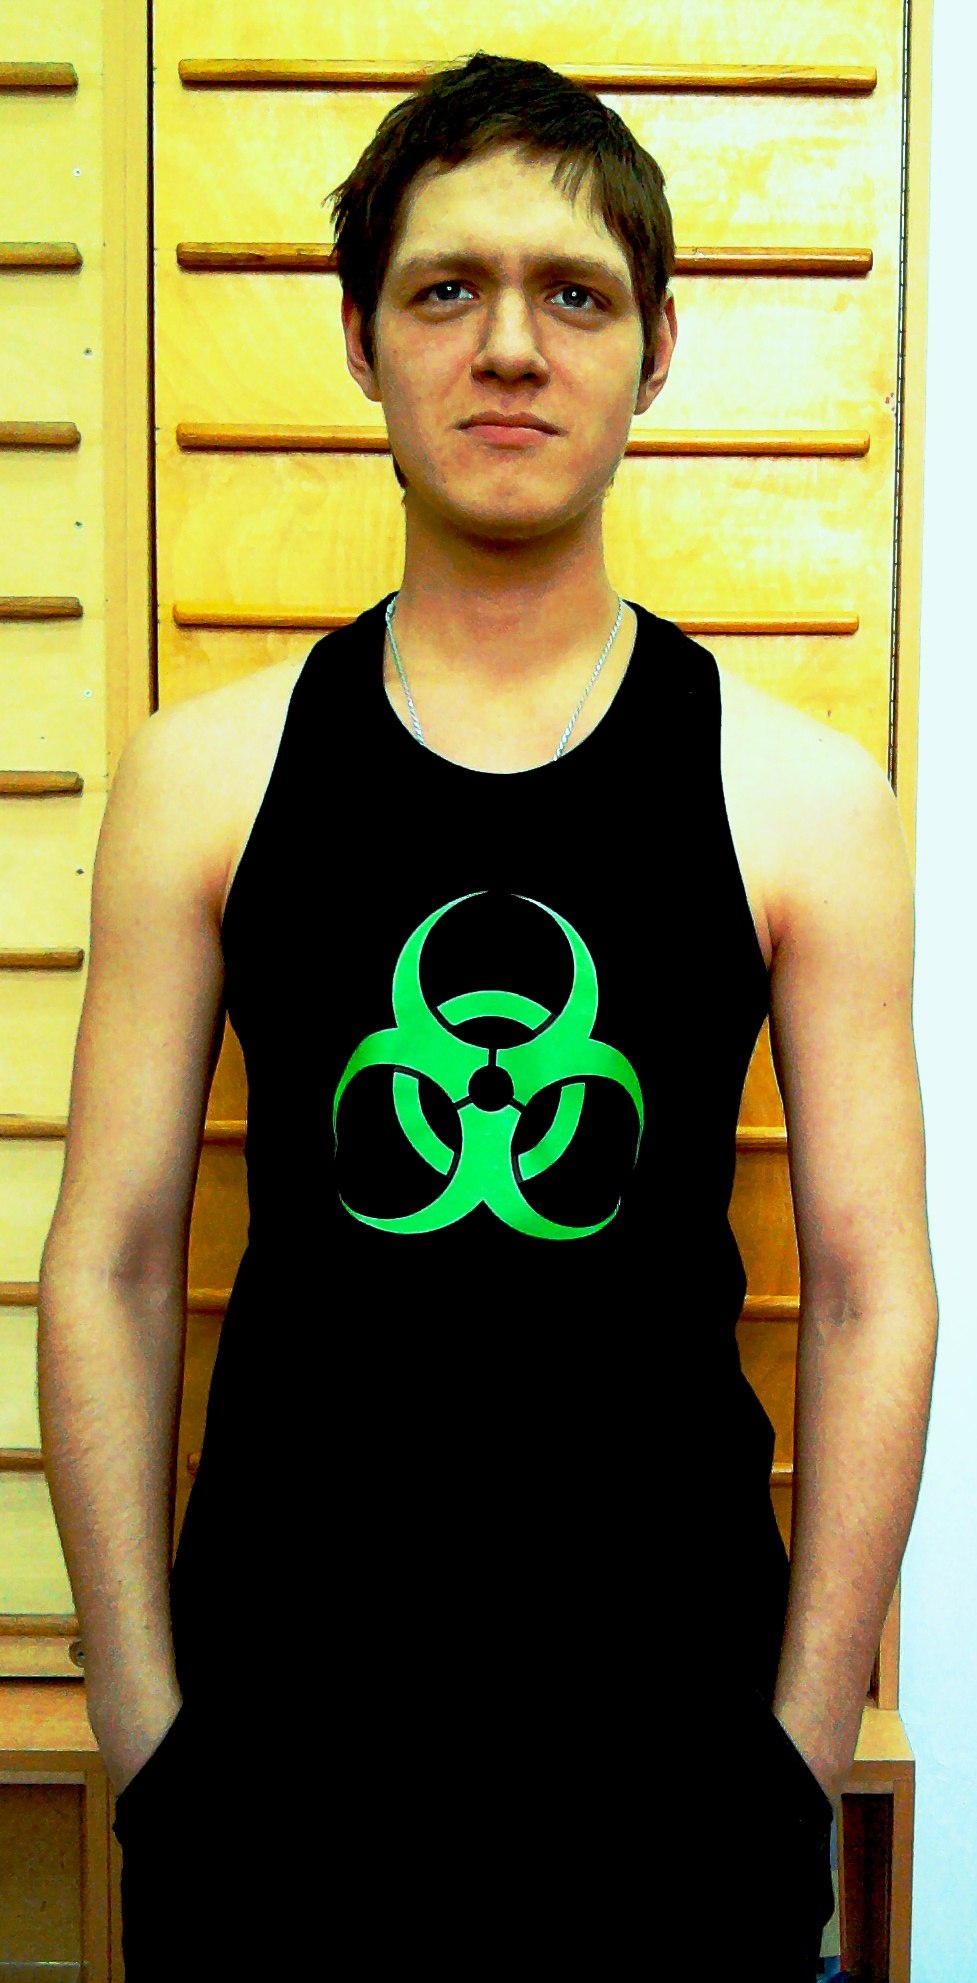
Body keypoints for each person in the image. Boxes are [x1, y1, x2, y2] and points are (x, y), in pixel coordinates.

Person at [37, 50, 938, 1982]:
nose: (510, 346)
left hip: (676, 1777)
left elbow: (874, 1292)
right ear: (360, 340)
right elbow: (107, 1259)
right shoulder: (205, 780)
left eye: (573, 294)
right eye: (447, 288)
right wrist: (145, 1731)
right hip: (273, 1774)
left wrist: (794, 1760)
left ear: (656, 348)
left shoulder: (801, 801)